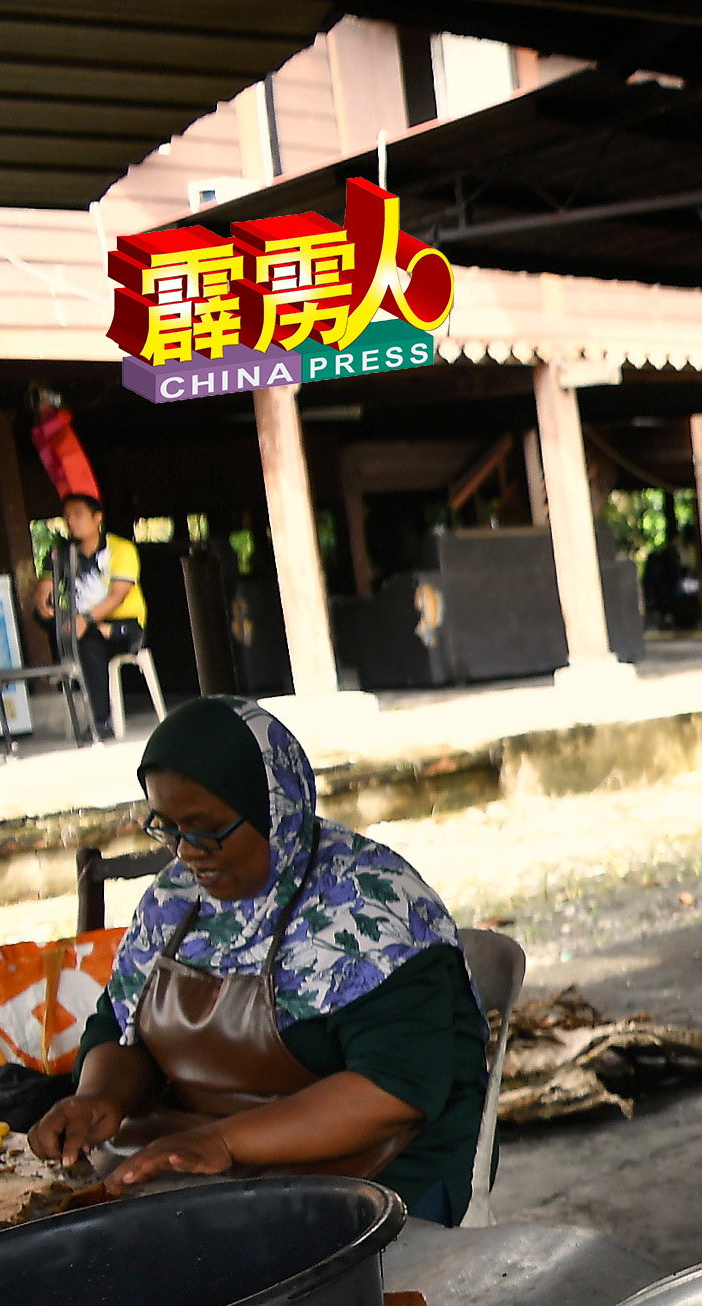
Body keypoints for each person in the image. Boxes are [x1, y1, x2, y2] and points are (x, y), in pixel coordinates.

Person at [29, 697, 493, 1224]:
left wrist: (225, 1141)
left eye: (205, 830)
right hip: (206, 1168)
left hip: (377, 1177)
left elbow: (395, 1089)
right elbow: (120, 1024)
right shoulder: (174, 901)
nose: (185, 852)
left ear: (274, 809)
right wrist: (99, 1098)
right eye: (169, 828)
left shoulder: (371, 903)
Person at [31, 491, 142, 743]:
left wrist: (87, 621)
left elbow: (118, 596)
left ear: (97, 518)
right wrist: (42, 600)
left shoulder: (120, 549)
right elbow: (45, 584)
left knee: (87, 637)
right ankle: (96, 716)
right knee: (61, 625)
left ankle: (100, 720)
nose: (71, 521)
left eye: (79, 515)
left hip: (124, 625)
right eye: (67, 516)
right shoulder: (60, 552)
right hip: (82, 624)